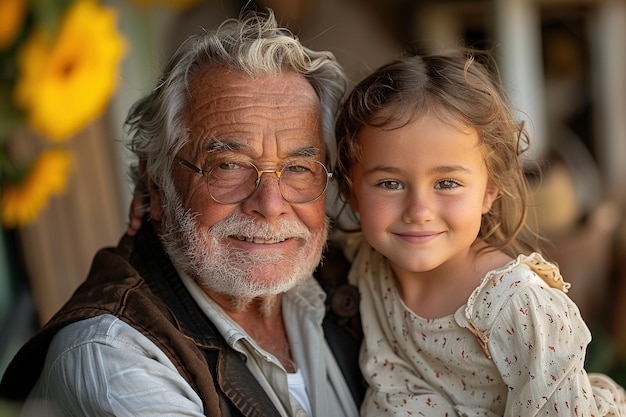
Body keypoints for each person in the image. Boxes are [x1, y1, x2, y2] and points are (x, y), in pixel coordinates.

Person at [0, 10, 362, 417]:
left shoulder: (355, 287)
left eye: (298, 168)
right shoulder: (115, 358)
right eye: (229, 165)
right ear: (156, 181)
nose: (271, 203)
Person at [333, 51, 626, 416]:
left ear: (490, 191)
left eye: (447, 183)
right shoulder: (367, 262)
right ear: (350, 192)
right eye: (390, 183)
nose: (419, 211)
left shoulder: (516, 307)